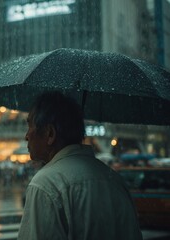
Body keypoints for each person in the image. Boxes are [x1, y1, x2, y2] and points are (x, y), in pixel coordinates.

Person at [17, 91, 142, 240]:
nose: (26, 136)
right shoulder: (115, 180)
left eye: (29, 125)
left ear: (50, 134)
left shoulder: (46, 184)